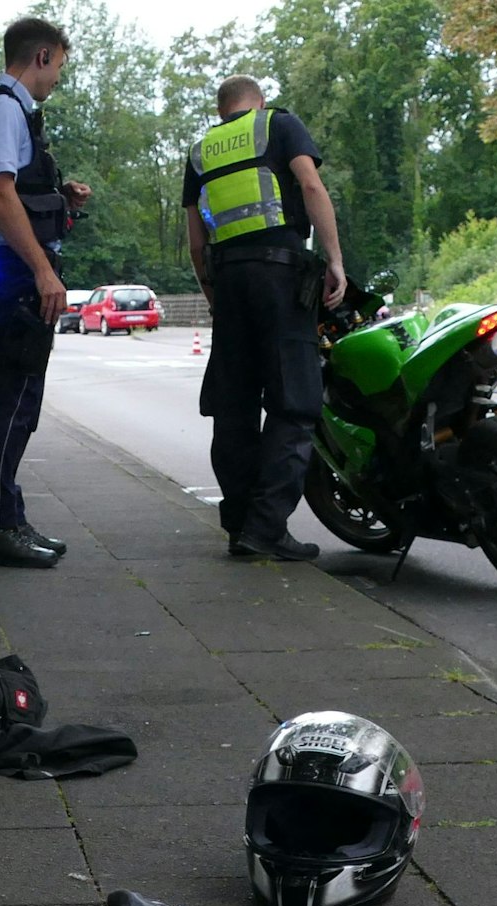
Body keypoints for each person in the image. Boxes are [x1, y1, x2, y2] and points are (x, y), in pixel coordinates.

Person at [183, 75, 347, 562]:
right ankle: (267, 527)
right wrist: (335, 259)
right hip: (280, 276)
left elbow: (196, 240)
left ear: (221, 112)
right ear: (259, 102)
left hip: (229, 280)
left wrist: (212, 293)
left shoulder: (201, 151)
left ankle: (239, 524)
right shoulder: (279, 124)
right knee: (294, 403)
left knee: (233, 404)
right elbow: (311, 185)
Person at [0, 17, 93, 568]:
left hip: (20, 268)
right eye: (59, 65)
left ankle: (9, 517)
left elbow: (22, 194)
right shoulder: (1, 110)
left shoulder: (15, 115)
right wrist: (41, 271)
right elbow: (0, 195)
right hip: (15, 272)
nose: (58, 77)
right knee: (9, 403)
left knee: (22, 402)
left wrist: (62, 198)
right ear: (41, 57)